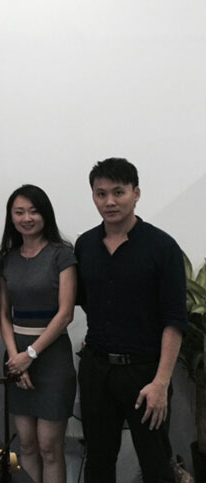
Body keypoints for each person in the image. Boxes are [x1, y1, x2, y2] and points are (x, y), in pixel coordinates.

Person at [75, 158, 187, 483]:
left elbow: (174, 320)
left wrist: (161, 383)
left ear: (136, 194)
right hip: (97, 370)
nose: (109, 202)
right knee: (97, 461)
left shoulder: (162, 247)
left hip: (145, 373)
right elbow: (86, 300)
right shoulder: (85, 245)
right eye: (101, 194)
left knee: (156, 464)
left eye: (118, 192)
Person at [0, 184, 77, 483]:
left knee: (49, 448)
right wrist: (16, 359)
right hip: (16, 357)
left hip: (52, 357)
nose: (26, 218)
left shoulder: (62, 255)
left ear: (45, 214)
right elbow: (5, 314)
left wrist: (31, 354)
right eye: (19, 212)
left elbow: (65, 313)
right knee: (27, 445)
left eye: (33, 211)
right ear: (11, 217)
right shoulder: (7, 258)